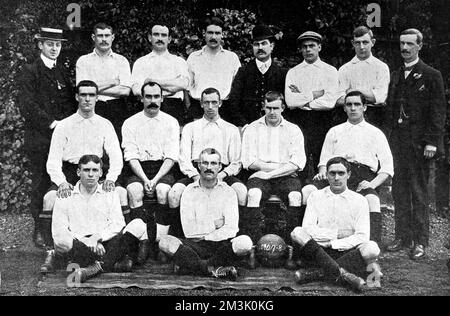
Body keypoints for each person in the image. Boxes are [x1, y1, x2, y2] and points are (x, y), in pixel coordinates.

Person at [39, 80, 128, 271]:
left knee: (120, 194)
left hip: (95, 172)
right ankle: (52, 251)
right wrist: (61, 182)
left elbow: (116, 156)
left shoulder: (105, 124)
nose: (87, 99)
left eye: (91, 95)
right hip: (71, 172)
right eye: (83, 95)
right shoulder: (64, 125)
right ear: (77, 97)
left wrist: (111, 179)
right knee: (50, 198)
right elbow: (53, 160)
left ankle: (119, 251)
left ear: (97, 98)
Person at [301, 91, 394, 245]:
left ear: (364, 107)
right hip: (336, 173)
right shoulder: (334, 131)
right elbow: (324, 160)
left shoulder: (375, 133)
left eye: (357, 104)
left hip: (363, 176)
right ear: (344, 108)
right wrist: (322, 172)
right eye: (349, 104)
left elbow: (387, 168)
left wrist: (372, 184)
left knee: (372, 199)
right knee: (308, 191)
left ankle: (370, 251)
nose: (353, 108)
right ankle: (303, 246)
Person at [385, 29, 446, 260]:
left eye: (410, 44)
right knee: (399, 191)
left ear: (419, 46)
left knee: (419, 192)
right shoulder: (396, 74)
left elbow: (438, 112)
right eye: (402, 43)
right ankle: (403, 236)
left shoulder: (431, 75)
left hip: (420, 145)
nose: (405, 48)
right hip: (398, 144)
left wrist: (432, 142)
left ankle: (420, 241)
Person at [48, 154, 148, 283]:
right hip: (80, 244)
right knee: (61, 241)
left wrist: (97, 237)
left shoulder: (109, 193)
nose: (90, 174)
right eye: (86, 170)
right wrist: (86, 240)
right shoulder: (66, 195)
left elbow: (118, 223)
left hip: (106, 243)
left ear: (100, 172)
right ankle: (111, 263)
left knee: (138, 224)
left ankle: (95, 268)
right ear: (78, 172)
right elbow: (59, 229)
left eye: (95, 170)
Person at [18, 27, 76, 248]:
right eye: (50, 44)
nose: (54, 48)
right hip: (40, 137)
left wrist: (69, 125)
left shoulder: (61, 71)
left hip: (62, 138)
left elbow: (69, 102)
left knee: (59, 181)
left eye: (58, 45)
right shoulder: (30, 70)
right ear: (40, 45)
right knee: (41, 182)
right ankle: (40, 231)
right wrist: (53, 123)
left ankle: (58, 228)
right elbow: (27, 105)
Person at [159, 148, 253, 280]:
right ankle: (213, 269)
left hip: (221, 244)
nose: (209, 167)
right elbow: (189, 231)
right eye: (205, 163)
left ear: (220, 167)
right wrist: (215, 223)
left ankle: (192, 266)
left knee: (245, 243)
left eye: (214, 163)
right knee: (165, 241)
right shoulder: (189, 191)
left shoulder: (229, 191)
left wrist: (207, 233)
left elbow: (231, 229)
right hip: (196, 245)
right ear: (198, 165)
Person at [291, 157, 381, 292]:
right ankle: (344, 274)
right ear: (326, 175)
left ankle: (318, 273)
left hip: (347, 252)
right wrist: (335, 234)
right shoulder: (316, 196)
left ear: (348, 175)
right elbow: (307, 229)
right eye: (332, 173)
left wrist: (333, 243)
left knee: (372, 248)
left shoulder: (360, 200)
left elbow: (362, 236)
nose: (336, 178)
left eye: (341, 173)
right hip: (319, 250)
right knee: (297, 232)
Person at [168, 87, 247, 237]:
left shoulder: (230, 129)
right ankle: (179, 237)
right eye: (206, 103)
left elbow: (236, 161)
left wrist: (222, 175)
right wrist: (195, 176)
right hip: (197, 172)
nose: (210, 107)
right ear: (201, 104)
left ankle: (237, 236)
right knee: (174, 194)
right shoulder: (190, 128)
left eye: (214, 102)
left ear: (220, 103)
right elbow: (183, 158)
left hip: (222, 173)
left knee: (241, 192)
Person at [122, 81, 180, 261]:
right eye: (148, 96)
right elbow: (131, 155)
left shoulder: (171, 121)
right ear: (142, 99)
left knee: (163, 191)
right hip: (138, 168)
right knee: (134, 190)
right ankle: (143, 240)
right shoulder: (130, 122)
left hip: (163, 168)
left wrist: (154, 180)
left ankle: (160, 242)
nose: (152, 100)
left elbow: (171, 156)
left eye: (156, 96)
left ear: (162, 98)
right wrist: (145, 179)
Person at [241, 91, 306, 243]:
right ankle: (254, 245)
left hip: (285, 176)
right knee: (253, 194)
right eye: (268, 108)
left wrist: (269, 173)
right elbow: (249, 162)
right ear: (263, 107)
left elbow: (297, 163)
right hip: (260, 175)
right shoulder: (252, 128)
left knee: (295, 196)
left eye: (276, 108)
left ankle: (292, 246)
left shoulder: (293, 129)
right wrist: (280, 166)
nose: (272, 112)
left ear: (283, 108)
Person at [284, 31, 339, 180]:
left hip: (322, 120)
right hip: (299, 120)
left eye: (312, 46)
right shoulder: (293, 72)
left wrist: (303, 99)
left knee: (322, 160)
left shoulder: (330, 71)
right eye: (304, 47)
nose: (308, 50)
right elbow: (290, 101)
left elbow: (330, 101)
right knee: (299, 160)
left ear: (319, 47)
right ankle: (298, 196)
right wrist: (315, 94)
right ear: (301, 49)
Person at [76, 23, 132, 140]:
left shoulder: (122, 61)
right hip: (93, 107)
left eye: (107, 35)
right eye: (100, 36)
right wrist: (112, 82)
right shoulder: (83, 61)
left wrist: (95, 87)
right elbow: (82, 89)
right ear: (93, 37)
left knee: (116, 143)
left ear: (112, 37)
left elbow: (125, 91)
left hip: (117, 108)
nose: (104, 39)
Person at [227, 24, 288, 128]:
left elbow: (286, 104)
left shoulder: (282, 74)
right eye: (256, 44)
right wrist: (244, 124)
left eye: (264, 43)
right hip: (248, 127)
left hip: (275, 127)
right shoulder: (243, 72)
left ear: (272, 46)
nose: (260, 48)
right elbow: (234, 102)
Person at [131, 24, 189, 124]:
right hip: (148, 106)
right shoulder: (140, 62)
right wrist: (170, 89)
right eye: (156, 35)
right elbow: (136, 90)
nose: (160, 38)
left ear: (169, 39)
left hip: (173, 107)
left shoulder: (179, 61)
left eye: (163, 35)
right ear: (150, 38)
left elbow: (183, 84)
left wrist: (153, 82)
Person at [187, 17, 241, 121]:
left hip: (224, 109)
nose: (213, 37)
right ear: (204, 33)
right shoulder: (194, 57)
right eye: (210, 33)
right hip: (199, 109)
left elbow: (236, 87)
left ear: (222, 35)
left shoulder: (231, 58)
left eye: (217, 33)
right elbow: (188, 86)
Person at [336, 26, 390, 128]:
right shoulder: (344, 69)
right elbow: (339, 99)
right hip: (348, 117)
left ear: (373, 42)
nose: (361, 47)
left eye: (365, 42)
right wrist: (368, 95)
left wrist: (353, 91)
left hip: (375, 118)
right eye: (357, 43)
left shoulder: (381, 67)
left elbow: (380, 97)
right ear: (353, 43)